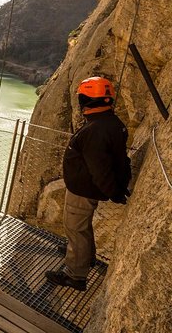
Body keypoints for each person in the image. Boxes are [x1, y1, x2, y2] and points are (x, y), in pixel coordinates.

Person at [45, 76, 131, 291]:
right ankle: (84, 256)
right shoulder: (111, 123)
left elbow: (99, 168)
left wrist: (113, 192)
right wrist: (115, 189)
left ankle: (75, 274)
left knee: (76, 229)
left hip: (83, 190)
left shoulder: (96, 130)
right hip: (86, 188)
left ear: (86, 100)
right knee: (80, 228)